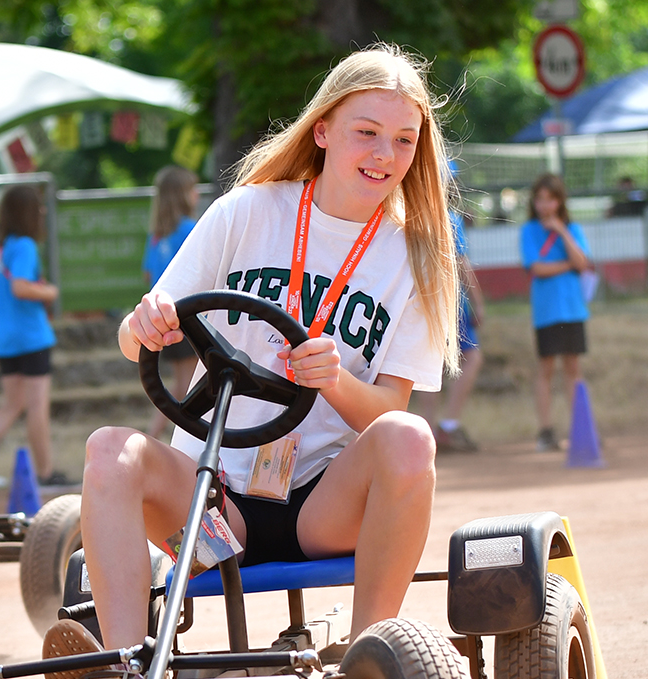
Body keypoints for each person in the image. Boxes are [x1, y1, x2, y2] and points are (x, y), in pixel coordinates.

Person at [70, 45, 461, 664]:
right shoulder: (248, 212)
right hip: (213, 505)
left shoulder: (415, 256)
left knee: (410, 438)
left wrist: (333, 379)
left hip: (324, 506)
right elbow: (133, 337)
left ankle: (368, 659)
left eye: (404, 140)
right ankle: (126, 664)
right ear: (324, 130)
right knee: (107, 452)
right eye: (367, 133)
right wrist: (141, 324)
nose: (385, 155)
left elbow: (387, 411)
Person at [0, 186, 67, 491]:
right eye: (37, 208)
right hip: (30, 336)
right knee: (37, 406)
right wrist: (50, 292)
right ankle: (45, 472)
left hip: (3, 338)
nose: (41, 213)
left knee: (12, 403)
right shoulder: (25, 245)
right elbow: (22, 287)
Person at [415, 163, 487, 453]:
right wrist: (478, 303)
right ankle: (448, 425)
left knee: (426, 367)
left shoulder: (411, 216)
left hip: (418, 300)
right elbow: (461, 266)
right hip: (448, 301)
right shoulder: (448, 218)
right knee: (472, 356)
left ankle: (428, 432)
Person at [521, 173, 592, 451]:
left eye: (550, 199)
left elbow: (583, 262)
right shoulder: (529, 230)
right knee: (546, 369)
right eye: (539, 199)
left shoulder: (572, 230)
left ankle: (580, 427)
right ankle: (546, 429)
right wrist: (567, 265)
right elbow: (536, 267)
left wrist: (561, 231)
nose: (545, 206)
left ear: (560, 201)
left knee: (573, 368)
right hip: (547, 311)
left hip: (572, 309)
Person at [142, 165, 202, 439]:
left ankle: (153, 437)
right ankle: (167, 439)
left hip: (163, 321)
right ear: (182, 195)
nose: (197, 194)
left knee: (180, 385)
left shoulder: (156, 236)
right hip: (188, 319)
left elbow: (147, 274)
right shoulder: (190, 229)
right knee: (190, 387)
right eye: (193, 189)